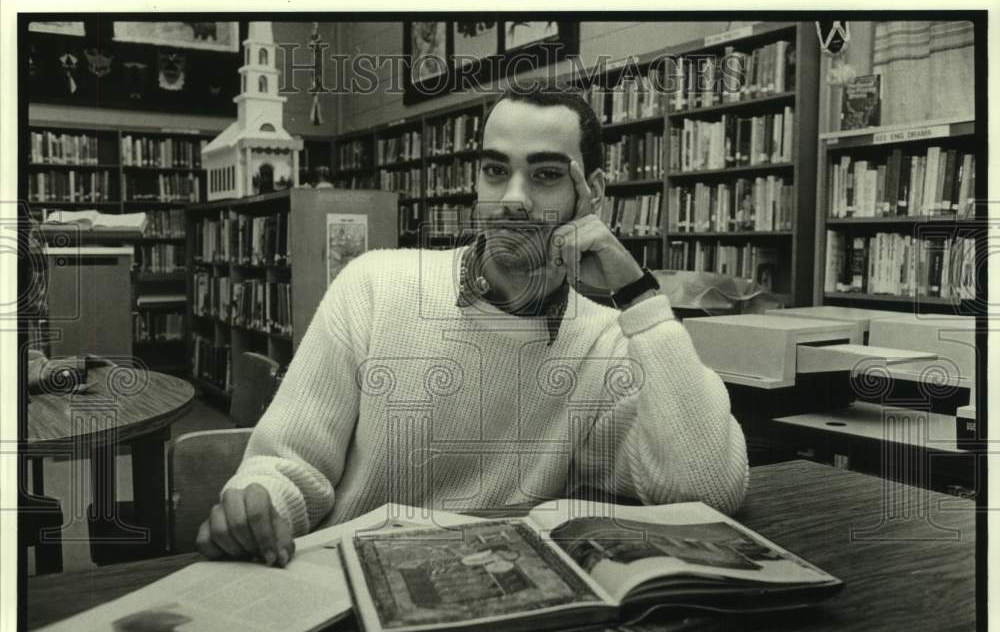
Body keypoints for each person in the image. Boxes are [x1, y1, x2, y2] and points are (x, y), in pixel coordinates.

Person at [197, 87, 749, 567]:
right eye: (495, 171)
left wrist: (638, 296)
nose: (513, 199)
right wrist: (261, 501)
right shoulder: (376, 285)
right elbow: (288, 465)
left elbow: (705, 488)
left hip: (507, 607)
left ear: (593, 193)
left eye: (547, 175)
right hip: (348, 586)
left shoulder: (606, 342)